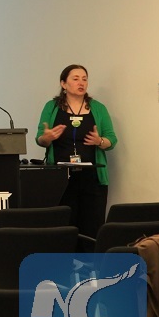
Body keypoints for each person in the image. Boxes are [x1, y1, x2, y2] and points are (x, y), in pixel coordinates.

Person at [36, 64, 117, 237]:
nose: (81, 83)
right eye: (75, 79)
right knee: (62, 226)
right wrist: (47, 137)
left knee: (92, 227)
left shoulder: (98, 108)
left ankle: (89, 256)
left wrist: (99, 141)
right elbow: (40, 139)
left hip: (92, 177)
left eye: (84, 79)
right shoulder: (51, 107)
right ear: (63, 84)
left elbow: (112, 140)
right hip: (60, 178)